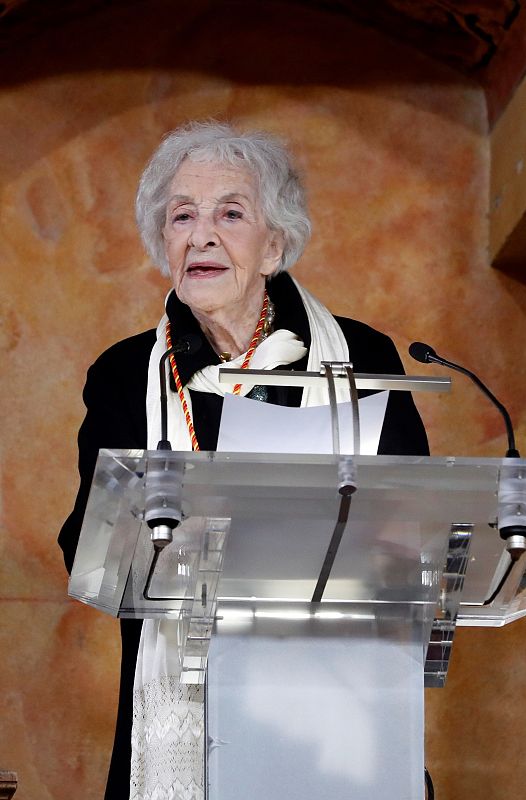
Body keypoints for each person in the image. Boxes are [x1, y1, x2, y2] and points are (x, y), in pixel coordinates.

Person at [59, 121, 428, 800]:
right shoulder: (120, 376)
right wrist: (161, 536)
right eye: (182, 216)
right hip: (183, 692)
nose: (202, 234)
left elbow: (414, 519)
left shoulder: (363, 356)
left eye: (231, 213)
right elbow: (84, 543)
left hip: (340, 700)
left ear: (274, 245)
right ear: (162, 243)